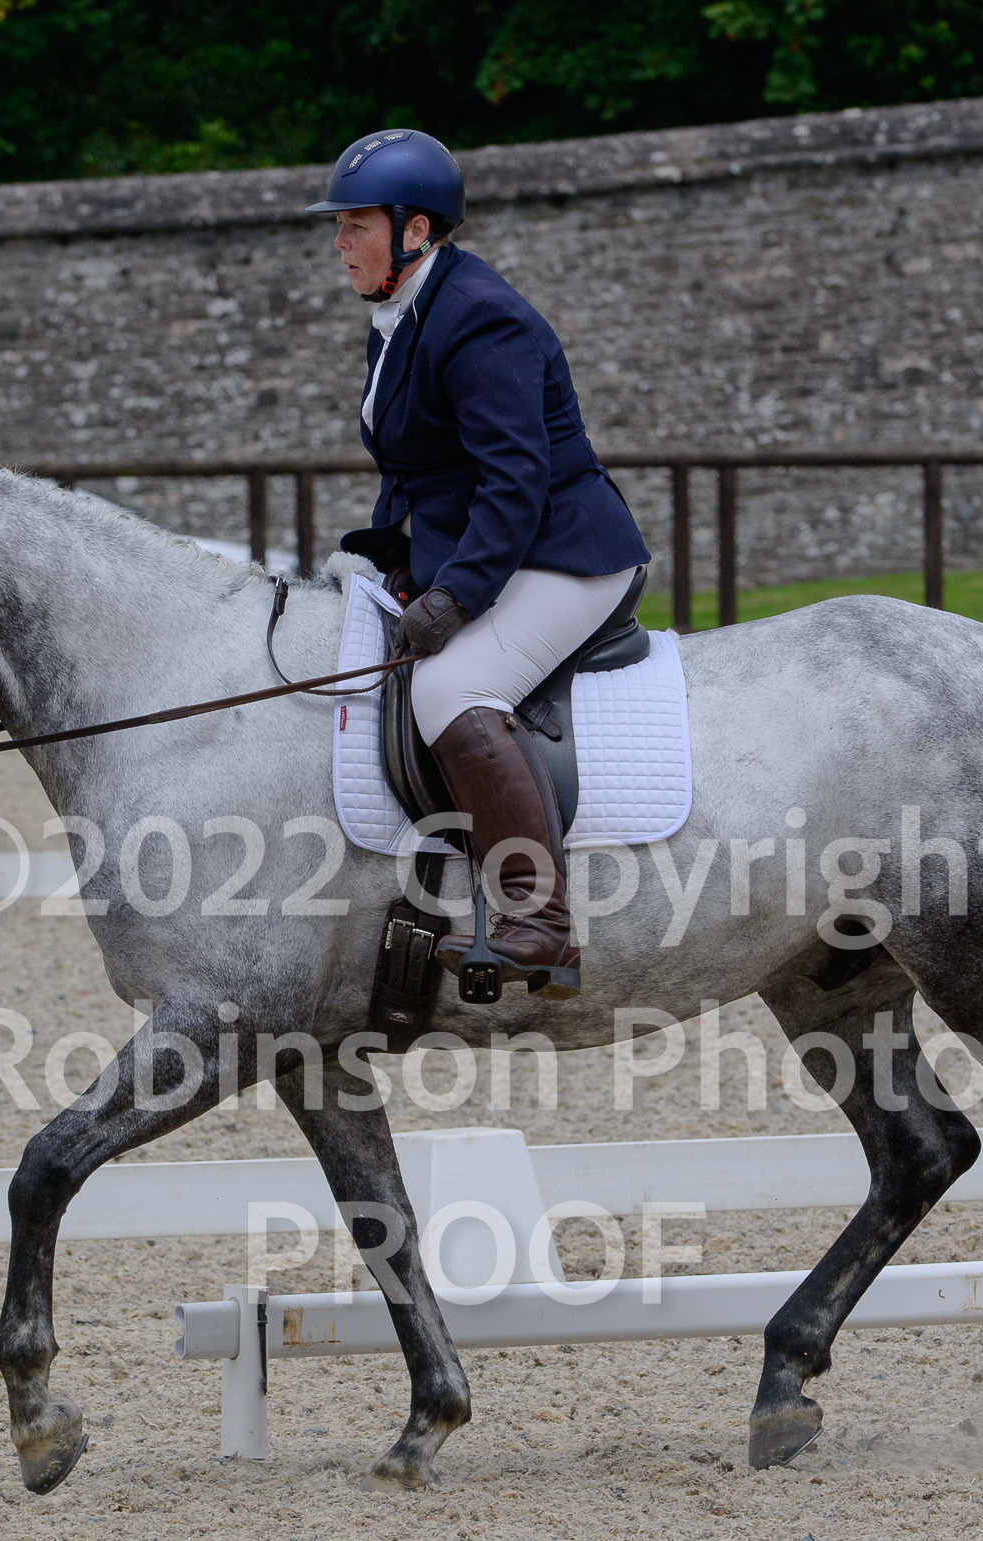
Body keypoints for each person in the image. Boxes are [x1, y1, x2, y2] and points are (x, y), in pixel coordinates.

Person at [308, 129, 651, 1001]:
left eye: (355, 225)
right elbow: (418, 465)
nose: (340, 242)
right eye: (340, 225)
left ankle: (540, 919)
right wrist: (391, 550)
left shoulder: (479, 317)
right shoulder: (403, 312)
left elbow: (515, 480)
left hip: (565, 552)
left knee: (451, 689)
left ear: (415, 230)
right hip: (502, 544)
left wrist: (457, 595)